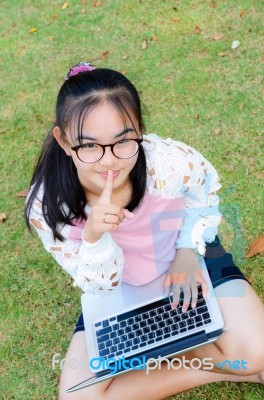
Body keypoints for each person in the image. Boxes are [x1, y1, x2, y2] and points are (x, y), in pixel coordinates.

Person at [25, 62, 264, 400]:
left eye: (123, 141)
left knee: (258, 353)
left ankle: (198, 352)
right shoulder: (48, 205)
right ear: (64, 141)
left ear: (139, 130)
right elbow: (96, 283)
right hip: (115, 288)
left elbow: (203, 192)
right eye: (89, 146)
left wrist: (187, 252)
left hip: (189, 260)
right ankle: (205, 362)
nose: (109, 161)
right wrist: (93, 238)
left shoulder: (164, 164)